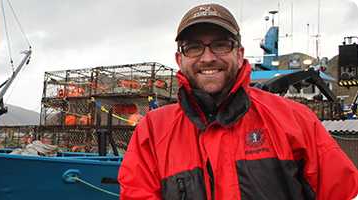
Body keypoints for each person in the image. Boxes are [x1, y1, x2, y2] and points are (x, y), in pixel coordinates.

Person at [118, 3, 358, 200]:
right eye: (193, 47)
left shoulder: (295, 121)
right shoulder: (152, 131)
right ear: (179, 59)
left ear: (240, 53)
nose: (208, 57)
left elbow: (344, 193)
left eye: (221, 45)